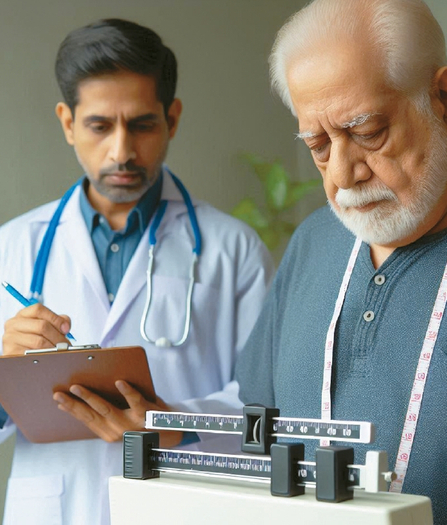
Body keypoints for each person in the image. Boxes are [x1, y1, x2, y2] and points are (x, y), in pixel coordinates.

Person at [235, 0, 447, 523]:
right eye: (318, 145)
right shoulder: (312, 243)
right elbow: (258, 425)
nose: (342, 174)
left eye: (367, 133)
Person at [0, 19, 273, 525]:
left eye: (142, 124)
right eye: (100, 126)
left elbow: (267, 413)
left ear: (172, 119)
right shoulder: (12, 246)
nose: (122, 151)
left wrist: (169, 425)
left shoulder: (233, 249)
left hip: (183, 504)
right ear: (67, 122)